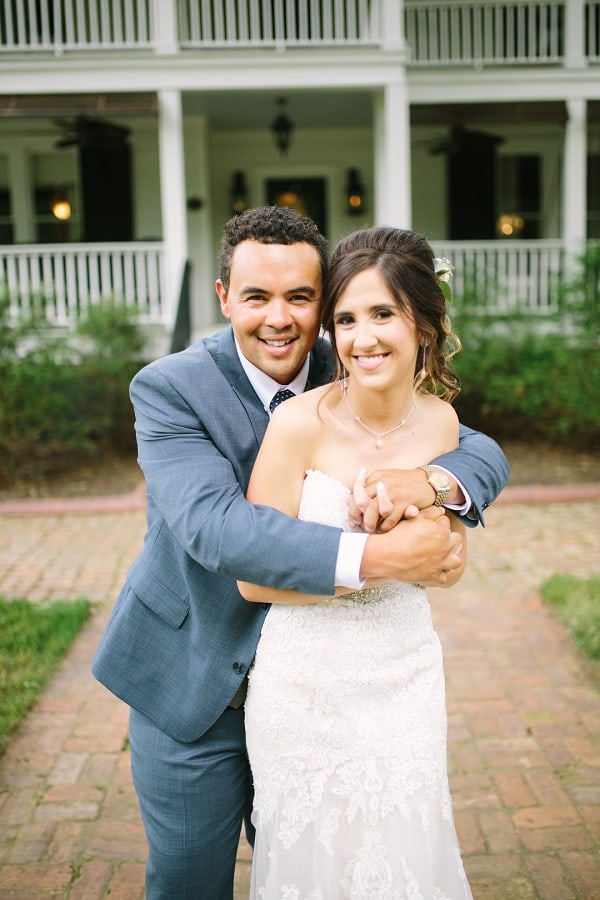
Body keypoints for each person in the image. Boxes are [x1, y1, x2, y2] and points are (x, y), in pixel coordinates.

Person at [92, 207, 508, 899]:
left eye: (301, 297)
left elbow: (477, 446)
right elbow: (219, 532)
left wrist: (436, 482)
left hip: (326, 693)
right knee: (191, 881)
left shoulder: (351, 357)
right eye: (256, 296)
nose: (279, 318)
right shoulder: (170, 388)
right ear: (224, 297)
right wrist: (387, 558)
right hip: (194, 679)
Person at [238, 225, 476, 898]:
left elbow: (448, 557)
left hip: (406, 672)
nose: (362, 338)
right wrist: (384, 559)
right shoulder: (298, 423)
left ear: (422, 323)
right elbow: (253, 578)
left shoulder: (443, 424)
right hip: (305, 681)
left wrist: (442, 548)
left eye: (382, 314)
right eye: (345, 319)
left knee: (405, 851)